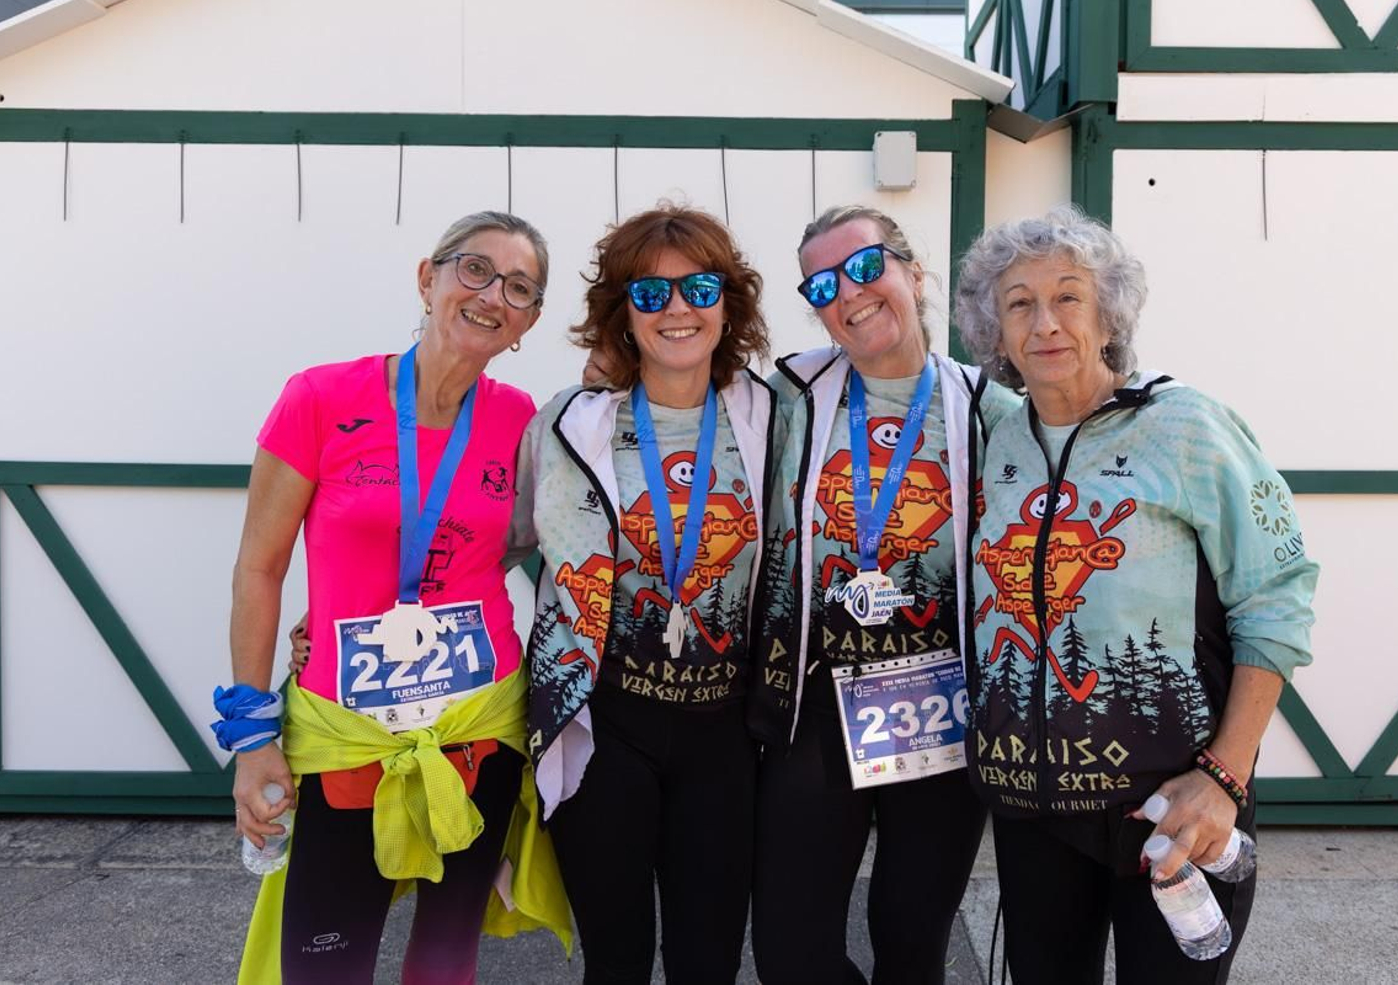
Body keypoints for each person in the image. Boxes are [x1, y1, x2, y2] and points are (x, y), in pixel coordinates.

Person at [950, 206, 1318, 983]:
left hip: (1174, 804)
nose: (1045, 322)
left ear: (1107, 312)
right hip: (1034, 813)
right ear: (996, 328)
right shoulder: (1001, 439)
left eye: (1069, 296)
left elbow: (1275, 601)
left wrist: (1225, 774)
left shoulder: (1186, 426)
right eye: (1019, 302)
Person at [218, 211, 569, 984]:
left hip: (478, 723)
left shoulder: (523, 423)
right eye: (473, 270)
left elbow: (543, 549)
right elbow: (259, 568)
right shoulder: (319, 397)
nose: (490, 296)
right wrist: (251, 736)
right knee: (325, 963)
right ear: (428, 277)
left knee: (444, 962)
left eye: (517, 287)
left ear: (529, 321)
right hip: (348, 730)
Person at [747, 205, 1019, 984]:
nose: (849, 293)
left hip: (939, 711)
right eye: (822, 283)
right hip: (818, 706)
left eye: (866, 267)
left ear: (913, 272)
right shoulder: (788, 396)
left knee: (912, 944)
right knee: (790, 951)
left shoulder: (990, 409)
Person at [521, 204, 776, 984]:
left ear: (726, 302)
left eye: (699, 287)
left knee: (707, 961)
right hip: (601, 727)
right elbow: (486, 542)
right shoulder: (568, 422)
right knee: (617, 958)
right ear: (620, 313)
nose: (676, 309)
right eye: (649, 291)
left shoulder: (775, 416)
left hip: (725, 738)